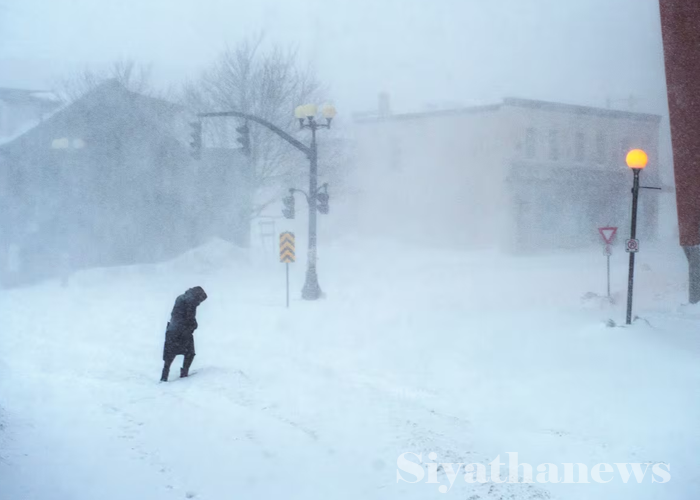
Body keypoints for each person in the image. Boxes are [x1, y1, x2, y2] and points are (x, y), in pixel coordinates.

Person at [161, 286, 208, 382]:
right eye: (200, 300)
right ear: (198, 296)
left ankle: (164, 375)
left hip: (172, 329)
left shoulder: (181, 297)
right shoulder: (191, 301)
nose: (199, 303)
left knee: (170, 353)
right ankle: (184, 373)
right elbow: (190, 317)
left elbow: (174, 314)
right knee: (189, 353)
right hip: (183, 331)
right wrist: (194, 325)